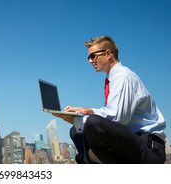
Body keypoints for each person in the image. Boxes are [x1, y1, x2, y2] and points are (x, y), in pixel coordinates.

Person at [53, 36, 166, 164]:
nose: (90, 61)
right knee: (76, 131)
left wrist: (86, 113)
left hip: (148, 147)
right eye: (88, 57)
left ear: (108, 54)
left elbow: (118, 119)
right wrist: (77, 120)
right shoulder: (111, 80)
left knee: (92, 122)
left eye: (93, 56)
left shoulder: (123, 77)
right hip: (131, 141)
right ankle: (89, 160)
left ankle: (92, 160)